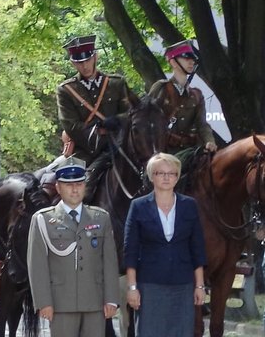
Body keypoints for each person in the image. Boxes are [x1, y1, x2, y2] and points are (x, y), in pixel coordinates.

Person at [27, 156, 119, 337]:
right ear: (58, 188)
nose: (75, 189)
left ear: (85, 185)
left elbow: (109, 262)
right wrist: (43, 301)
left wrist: (112, 299)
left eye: (79, 183)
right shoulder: (43, 220)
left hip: (95, 301)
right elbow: (37, 265)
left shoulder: (100, 218)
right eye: (68, 184)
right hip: (60, 303)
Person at [124, 152, 207, 337]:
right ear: (152, 176)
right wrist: (132, 287)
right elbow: (130, 250)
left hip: (183, 284)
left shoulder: (189, 205)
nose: (166, 177)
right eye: (161, 173)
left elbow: (197, 248)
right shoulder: (138, 206)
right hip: (150, 285)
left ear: (177, 177)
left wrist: (200, 285)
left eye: (172, 173)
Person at [57, 35, 132, 202]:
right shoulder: (66, 90)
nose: (84, 65)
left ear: (95, 57)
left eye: (87, 60)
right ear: (72, 63)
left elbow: (131, 113)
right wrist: (98, 131)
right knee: (74, 189)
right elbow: (71, 125)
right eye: (79, 62)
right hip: (86, 151)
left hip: (120, 145)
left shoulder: (116, 83)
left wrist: (117, 120)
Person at [148, 39, 217, 156]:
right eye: (186, 58)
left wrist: (210, 141)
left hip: (191, 152)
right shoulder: (161, 88)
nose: (191, 62)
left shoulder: (196, 94)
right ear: (173, 62)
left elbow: (202, 124)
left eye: (192, 59)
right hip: (164, 153)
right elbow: (145, 116)